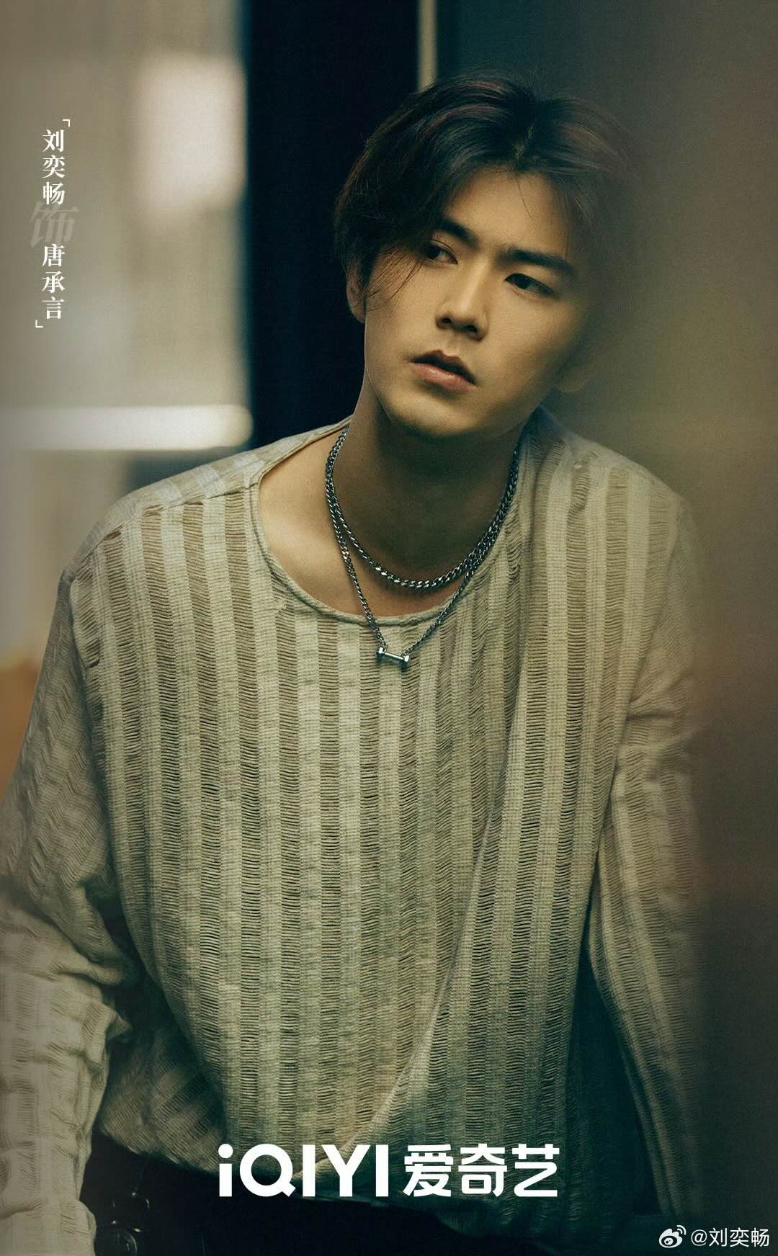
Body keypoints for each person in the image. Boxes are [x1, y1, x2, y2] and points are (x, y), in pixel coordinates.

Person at [0, 73, 707, 1256]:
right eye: (435, 251)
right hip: (193, 1217)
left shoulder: (631, 551)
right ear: (358, 275)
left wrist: (721, 1230)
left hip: (505, 1226)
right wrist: (32, 1227)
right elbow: (50, 941)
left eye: (529, 280)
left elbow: (667, 952)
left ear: (584, 350)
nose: (464, 310)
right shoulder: (149, 565)